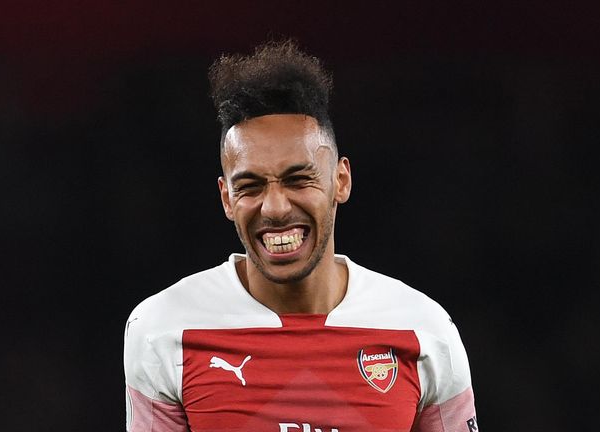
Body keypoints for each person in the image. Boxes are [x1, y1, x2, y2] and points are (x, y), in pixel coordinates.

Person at [123, 40, 479, 432]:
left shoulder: (423, 330)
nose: (274, 208)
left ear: (340, 181)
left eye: (298, 179)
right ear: (226, 198)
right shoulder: (164, 328)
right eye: (251, 186)